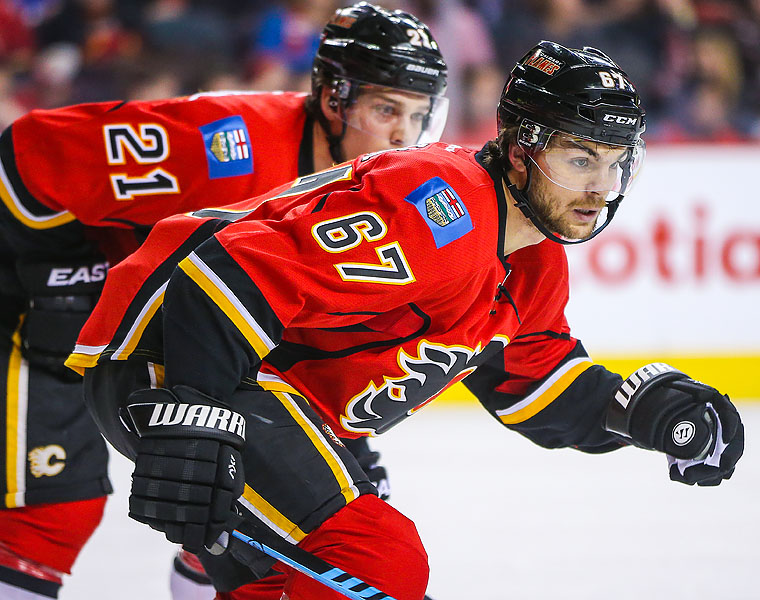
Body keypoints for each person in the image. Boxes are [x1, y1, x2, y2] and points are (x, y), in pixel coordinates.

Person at [68, 41, 744, 600]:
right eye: (578, 158)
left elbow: (538, 386)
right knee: (373, 559)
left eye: (613, 163)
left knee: (296, 576)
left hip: (261, 389)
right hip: (174, 358)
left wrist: (645, 413)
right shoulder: (437, 208)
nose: (599, 189)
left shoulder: (534, 259)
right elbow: (227, 273)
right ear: (519, 150)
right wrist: (194, 411)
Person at [0, 3, 447, 599]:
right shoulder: (222, 143)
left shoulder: (379, 193)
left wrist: (342, 442)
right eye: (385, 109)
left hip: (160, 336)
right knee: (52, 515)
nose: (402, 135)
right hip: (43, 309)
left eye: (418, 115)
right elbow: (25, 156)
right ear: (333, 98)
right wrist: (64, 275)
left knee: (233, 517)